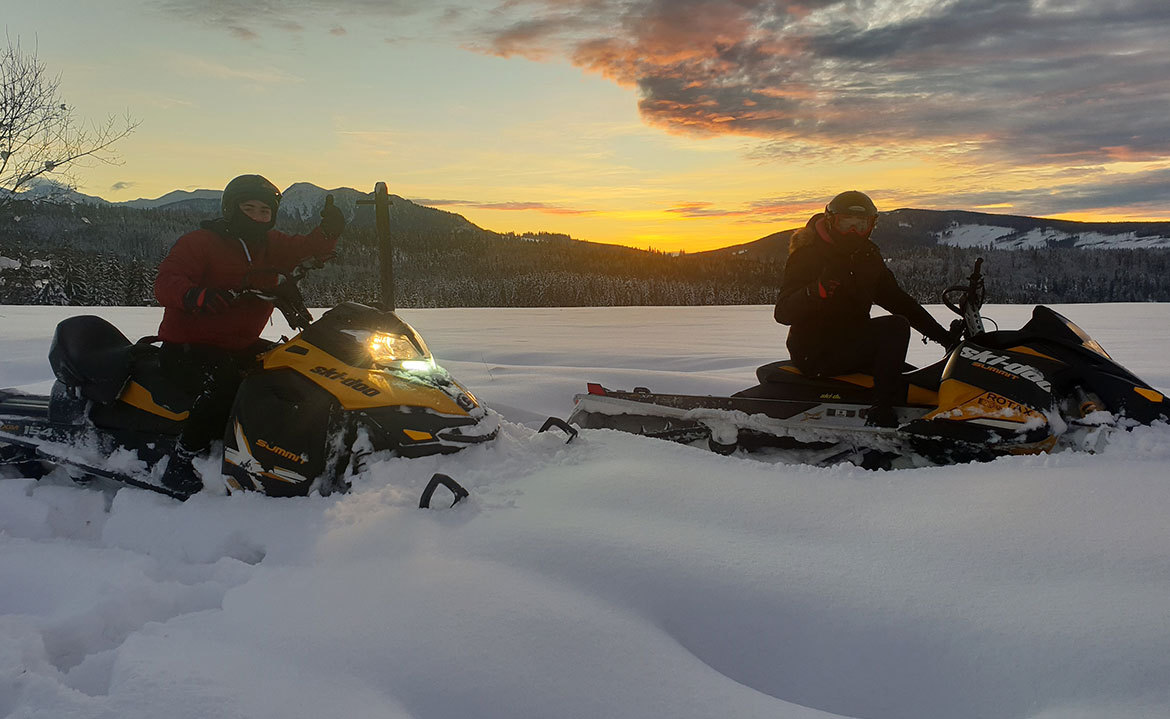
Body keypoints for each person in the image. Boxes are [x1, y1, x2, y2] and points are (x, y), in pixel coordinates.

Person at [153, 174, 345, 495]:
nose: (257, 216)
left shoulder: (269, 244)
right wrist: (197, 296)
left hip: (238, 344)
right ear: (231, 209)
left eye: (264, 211)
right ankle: (180, 461)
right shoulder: (201, 242)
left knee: (291, 371)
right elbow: (167, 281)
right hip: (188, 345)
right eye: (249, 208)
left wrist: (327, 232)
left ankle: (281, 448)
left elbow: (305, 249)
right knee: (226, 386)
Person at [773, 190, 952, 428]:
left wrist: (946, 338)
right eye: (847, 223)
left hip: (852, 343)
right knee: (894, 327)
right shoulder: (808, 255)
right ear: (831, 220)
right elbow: (782, 312)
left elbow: (899, 301)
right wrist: (815, 291)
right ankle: (880, 413)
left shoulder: (867, 255)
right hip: (815, 350)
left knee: (913, 378)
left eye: (861, 224)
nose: (854, 231)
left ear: (871, 225)